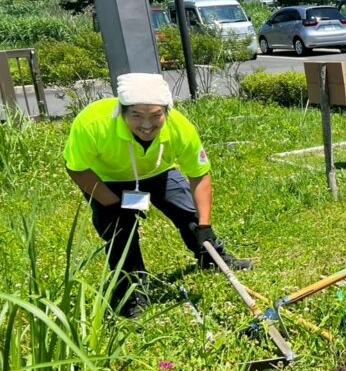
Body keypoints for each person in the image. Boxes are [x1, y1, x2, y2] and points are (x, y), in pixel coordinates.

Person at [64, 72, 251, 317]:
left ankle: (212, 256)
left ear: (167, 112)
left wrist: (204, 225)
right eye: (136, 115)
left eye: (155, 116)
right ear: (122, 111)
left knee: (190, 215)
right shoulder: (93, 123)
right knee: (120, 231)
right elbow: (76, 168)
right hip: (107, 179)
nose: (146, 125)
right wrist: (113, 203)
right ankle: (132, 291)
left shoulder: (180, 128)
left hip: (158, 171)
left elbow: (200, 176)